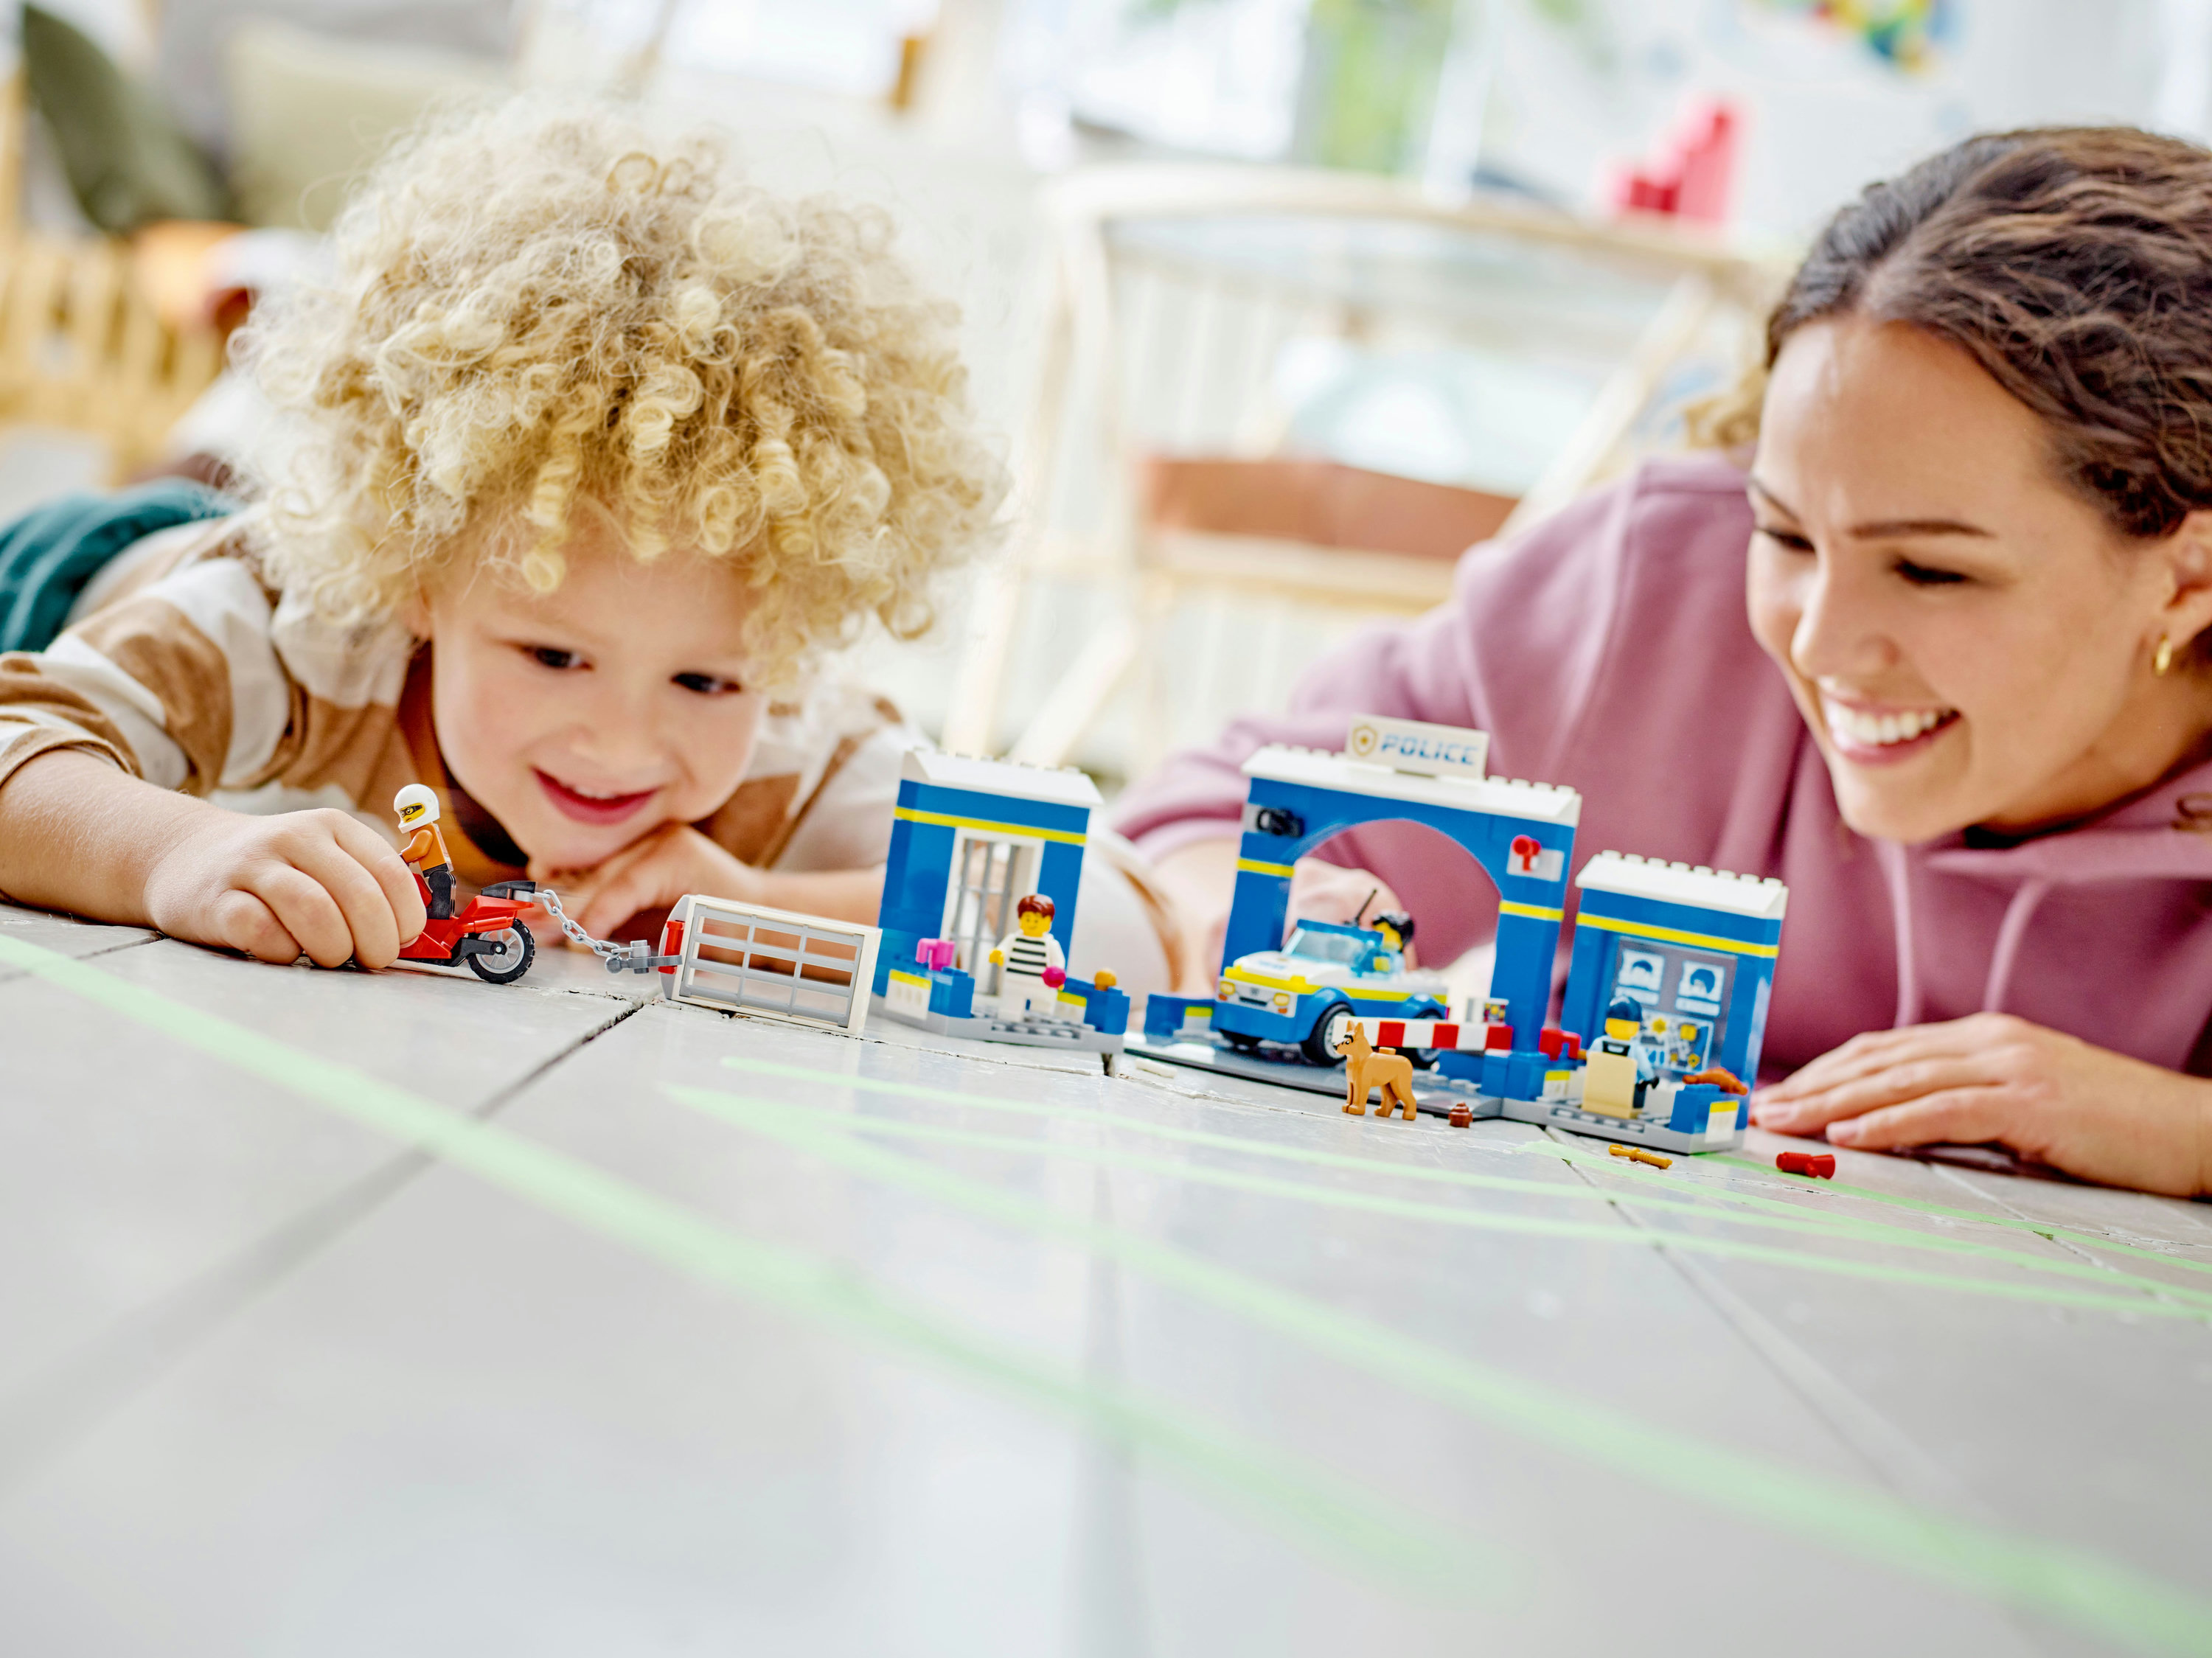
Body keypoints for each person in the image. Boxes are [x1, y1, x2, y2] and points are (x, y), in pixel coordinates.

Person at [1114, 126, 2212, 1198]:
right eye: (1786, 535)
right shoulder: (1660, 585)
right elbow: (1210, 813)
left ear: (2187, 576)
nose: (1818, 645)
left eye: (1931, 569)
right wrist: (1258, 915)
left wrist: (2179, 1128)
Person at [0, 97, 1003, 971]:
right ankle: (225, 431)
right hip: (75, 574)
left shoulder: (787, 734)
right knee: (203, 496)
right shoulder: (285, 635)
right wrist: (175, 849)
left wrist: (755, 901)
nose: (620, 744)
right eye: (555, 655)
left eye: (705, 681)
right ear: (416, 573)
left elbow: (1047, 911)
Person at [989, 894, 1065, 1017]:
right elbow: (1002, 949)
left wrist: (1057, 974)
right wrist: (999, 954)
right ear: (1020, 919)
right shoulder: (1013, 939)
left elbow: (1058, 962)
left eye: (1037, 920)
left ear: (1048, 922)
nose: (1032, 924)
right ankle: (1010, 1016)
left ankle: (1040, 1019)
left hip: (1041, 985)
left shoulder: (1051, 944)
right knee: (1010, 1010)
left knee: (1041, 1011)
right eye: (1028, 919)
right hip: (1014, 982)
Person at [392, 784, 454, 920]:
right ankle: (438, 914)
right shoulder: (426, 829)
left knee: (440, 898)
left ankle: (438, 916)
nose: (406, 816)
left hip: (437, 872)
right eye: (403, 813)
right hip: (438, 872)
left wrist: (402, 857)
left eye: (409, 811)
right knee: (441, 894)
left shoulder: (424, 831)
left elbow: (419, 850)